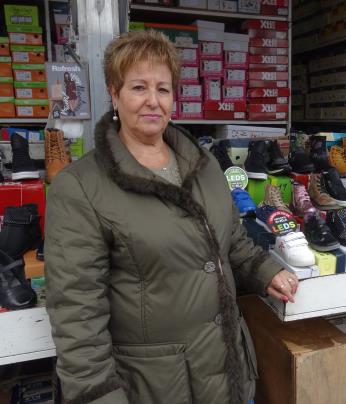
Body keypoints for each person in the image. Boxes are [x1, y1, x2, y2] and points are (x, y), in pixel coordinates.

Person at [45, 30, 299, 404]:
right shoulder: (80, 186)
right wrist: (99, 396)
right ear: (114, 94)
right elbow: (77, 314)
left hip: (229, 372)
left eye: (163, 89)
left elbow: (231, 241)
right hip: (156, 387)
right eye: (138, 88)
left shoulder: (204, 163)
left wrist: (265, 270)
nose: (152, 101)